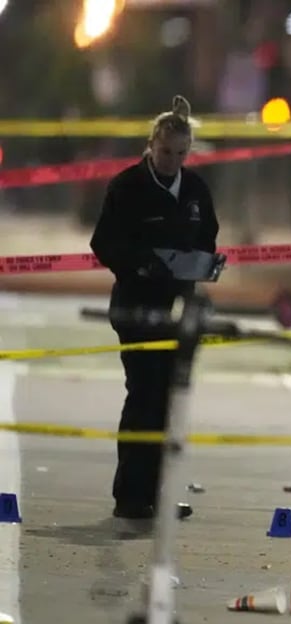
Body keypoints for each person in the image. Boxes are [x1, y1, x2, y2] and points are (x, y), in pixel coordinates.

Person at [89, 95, 220, 521]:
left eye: (181, 154)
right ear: (151, 145)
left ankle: (160, 496)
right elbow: (103, 243)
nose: (172, 161)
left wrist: (206, 263)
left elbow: (207, 238)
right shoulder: (127, 187)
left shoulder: (196, 190)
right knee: (143, 397)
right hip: (138, 309)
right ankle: (130, 496)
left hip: (181, 308)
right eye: (165, 152)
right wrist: (143, 263)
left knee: (170, 402)